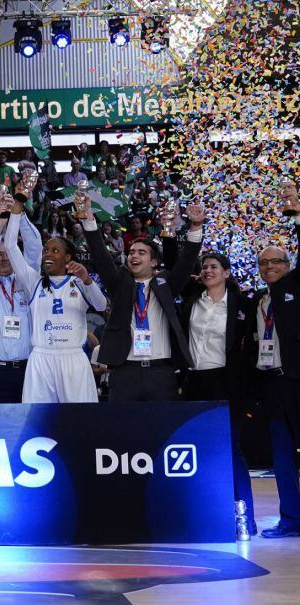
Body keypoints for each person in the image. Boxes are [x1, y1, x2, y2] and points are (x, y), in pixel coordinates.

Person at [81, 195, 205, 401]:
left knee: (163, 429)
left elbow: (186, 262)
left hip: (161, 373)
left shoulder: (166, 284)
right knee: (123, 431)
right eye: (131, 252)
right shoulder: (120, 283)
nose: (134, 256)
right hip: (124, 372)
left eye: (141, 253)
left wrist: (196, 227)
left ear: (154, 262)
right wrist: (88, 220)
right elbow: (100, 256)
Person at [178, 252, 256, 536]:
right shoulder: (190, 303)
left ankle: (244, 517)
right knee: (195, 451)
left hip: (226, 382)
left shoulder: (242, 305)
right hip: (195, 382)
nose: (208, 271)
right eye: (204, 267)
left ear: (226, 272)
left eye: (214, 267)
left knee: (231, 450)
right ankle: (201, 516)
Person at [2, 197, 107, 403]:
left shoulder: (78, 282)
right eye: (46, 250)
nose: (47, 255)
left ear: (68, 257)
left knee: (80, 421)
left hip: (73, 358)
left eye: (54, 250)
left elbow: (101, 305)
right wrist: (16, 209)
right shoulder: (34, 282)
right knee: (39, 422)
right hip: (41, 358)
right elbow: (11, 246)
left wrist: (87, 280)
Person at [252, 210, 300, 538]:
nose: (270, 267)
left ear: (288, 264)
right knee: (281, 458)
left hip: (299, 382)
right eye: (264, 263)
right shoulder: (258, 301)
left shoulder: (296, 288)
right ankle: (291, 520)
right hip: (272, 384)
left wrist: (296, 214)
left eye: (276, 262)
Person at [0, 194, 43, 403]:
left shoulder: (28, 281)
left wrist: (19, 212)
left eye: (8, 253)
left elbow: (34, 249)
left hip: (27, 369)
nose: (5, 258)